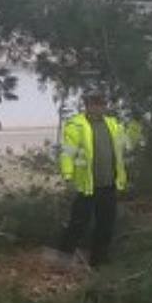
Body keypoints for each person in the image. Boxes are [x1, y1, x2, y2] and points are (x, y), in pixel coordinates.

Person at [57, 91, 128, 268]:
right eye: (93, 103)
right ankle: (63, 259)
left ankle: (99, 261)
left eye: (101, 103)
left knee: (106, 225)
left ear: (105, 106)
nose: (97, 107)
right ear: (87, 105)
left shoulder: (112, 124)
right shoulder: (76, 125)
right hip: (87, 186)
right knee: (77, 224)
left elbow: (126, 143)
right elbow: (67, 153)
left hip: (109, 184)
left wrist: (136, 125)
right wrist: (67, 174)